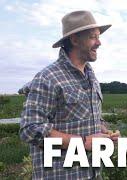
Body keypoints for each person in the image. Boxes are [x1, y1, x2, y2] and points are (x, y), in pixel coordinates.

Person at [19, 10, 120, 179]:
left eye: (98, 36)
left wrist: (106, 132)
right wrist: (83, 142)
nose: (99, 42)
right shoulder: (48, 77)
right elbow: (30, 129)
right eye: (92, 37)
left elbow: (89, 117)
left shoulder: (91, 76)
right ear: (74, 39)